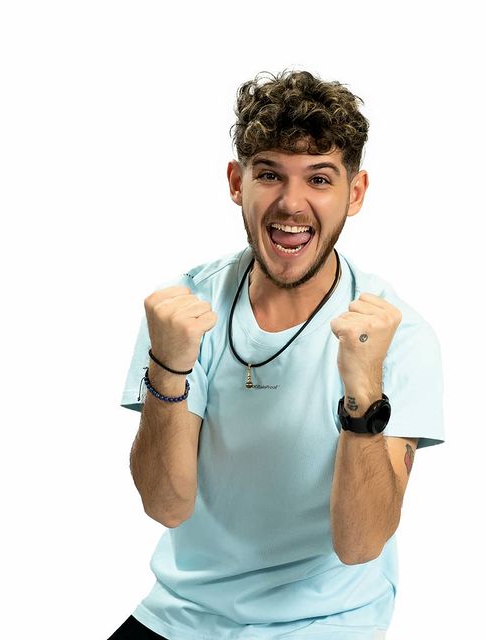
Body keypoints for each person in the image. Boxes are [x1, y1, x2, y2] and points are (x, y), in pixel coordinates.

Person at [110, 69, 445, 640]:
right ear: (236, 182)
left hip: (328, 622)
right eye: (269, 174)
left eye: (319, 179)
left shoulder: (399, 334)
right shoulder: (184, 311)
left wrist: (364, 390)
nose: (291, 203)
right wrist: (168, 367)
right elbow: (166, 505)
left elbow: (361, 543)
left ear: (355, 193)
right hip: (183, 614)